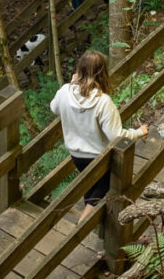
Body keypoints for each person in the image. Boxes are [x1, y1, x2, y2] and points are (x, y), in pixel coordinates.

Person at [50, 51, 148, 223]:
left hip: (76, 155)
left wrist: (71, 84)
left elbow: (54, 108)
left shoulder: (65, 92)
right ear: (102, 73)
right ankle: (83, 223)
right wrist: (139, 132)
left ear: (79, 69)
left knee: (91, 186)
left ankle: (88, 220)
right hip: (98, 157)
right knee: (104, 186)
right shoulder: (103, 102)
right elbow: (116, 136)